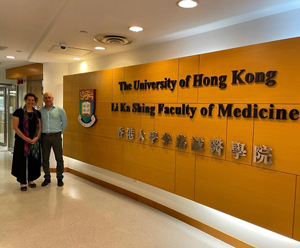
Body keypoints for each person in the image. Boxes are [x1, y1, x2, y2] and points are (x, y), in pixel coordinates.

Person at [12, 93, 42, 191]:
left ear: (35, 101)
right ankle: (22, 182)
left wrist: (37, 137)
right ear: (25, 100)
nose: (31, 102)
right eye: (29, 100)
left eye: (33, 100)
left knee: (33, 160)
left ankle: (31, 180)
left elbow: (39, 127)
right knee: (21, 161)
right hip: (21, 141)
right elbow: (15, 127)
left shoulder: (37, 113)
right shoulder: (18, 112)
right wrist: (25, 138)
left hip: (34, 141)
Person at [40, 92, 67, 187]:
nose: (47, 99)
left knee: (59, 158)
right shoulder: (40, 111)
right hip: (44, 137)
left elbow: (64, 123)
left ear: (52, 98)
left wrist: (58, 133)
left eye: (49, 97)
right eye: (45, 98)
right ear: (43, 99)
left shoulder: (60, 110)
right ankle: (47, 177)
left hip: (56, 136)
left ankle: (60, 177)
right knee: (45, 159)